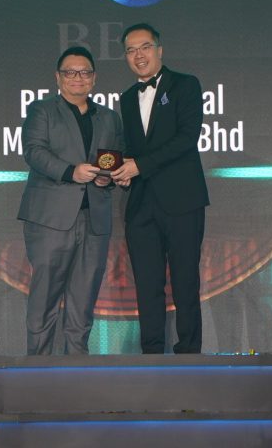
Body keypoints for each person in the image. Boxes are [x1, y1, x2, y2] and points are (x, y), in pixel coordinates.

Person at [17, 46, 124, 355]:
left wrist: (106, 178)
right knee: (45, 298)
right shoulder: (42, 110)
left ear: (94, 78)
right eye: (70, 72)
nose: (78, 77)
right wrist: (70, 172)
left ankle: (78, 369)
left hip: (94, 220)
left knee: (84, 300)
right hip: (50, 220)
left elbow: (114, 159)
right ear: (58, 77)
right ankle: (37, 369)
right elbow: (34, 151)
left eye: (85, 72)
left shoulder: (109, 118)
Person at [110, 23, 209, 354]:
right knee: (146, 284)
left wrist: (139, 165)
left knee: (185, 281)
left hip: (182, 199)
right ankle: (150, 355)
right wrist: (124, 171)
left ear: (159, 50)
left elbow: (186, 138)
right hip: (141, 205)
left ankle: (189, 353)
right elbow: (133, 148)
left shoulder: (186, 85)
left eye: (145, 47)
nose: (138, 55)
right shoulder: (126, 98)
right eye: (131, 50)